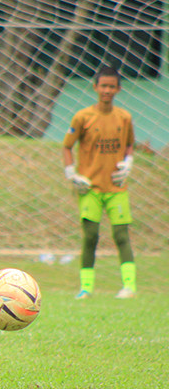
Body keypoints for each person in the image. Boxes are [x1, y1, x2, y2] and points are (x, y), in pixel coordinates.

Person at [62, 66, 136, 299]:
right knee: (91, 236)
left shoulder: (124, 118)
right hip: (90, 188)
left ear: (118, 89)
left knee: (121, 235)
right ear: (95, 87)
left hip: (116, 187)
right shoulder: (83, 117)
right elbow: (67, 146)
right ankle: (86, 288)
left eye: (111, 86)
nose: (107, 90)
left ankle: (129, 287)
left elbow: (129, 145)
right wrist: (71, 173)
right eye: (103, 86)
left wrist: (129, 162)